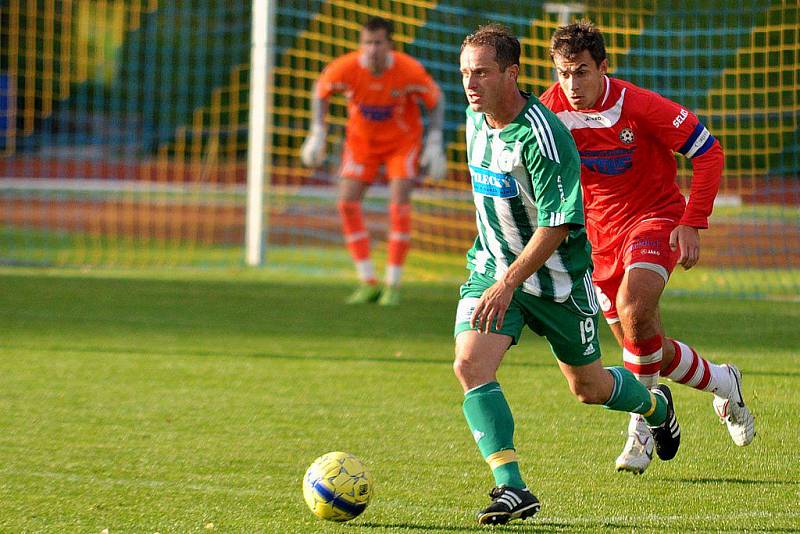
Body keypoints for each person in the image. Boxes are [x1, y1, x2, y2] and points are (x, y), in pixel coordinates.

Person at [453, 24, 681, 526]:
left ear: (510, 74)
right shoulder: (474, 120)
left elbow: (558, 223)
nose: (471, 83)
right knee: (470, 365)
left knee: (590, 389)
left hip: (555, 281)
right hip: (492, 271)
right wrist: (499, 276)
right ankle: (512, 488)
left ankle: (656, 407)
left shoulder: (544, 136)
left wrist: (511, 280)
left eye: (482, 73)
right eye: (466, 72)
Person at [539, 21, 755, 475]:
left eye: (581, 71)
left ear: (603, 67)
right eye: (563, 73)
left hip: (655, 220)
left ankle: (640, 430)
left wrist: (692, 222)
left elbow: (708, 151)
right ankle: (721, 381)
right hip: (596, 241)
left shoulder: (639, 105)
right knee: (642, 343)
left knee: (635, 308)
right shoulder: (549, 112)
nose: (571, 84)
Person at [300, 16, 447, 306]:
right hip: (361, 143)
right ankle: (367, 280)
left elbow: (436, 99)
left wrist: (435, 141)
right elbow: (321, 90)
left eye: (378, 42)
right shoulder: (346, 67)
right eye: (367, 43)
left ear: (389, 45)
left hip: (401, 143)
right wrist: (317, 131)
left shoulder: (408, 70)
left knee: (398, 203)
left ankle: (392, 283)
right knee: (346, 202)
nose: (372, 49)